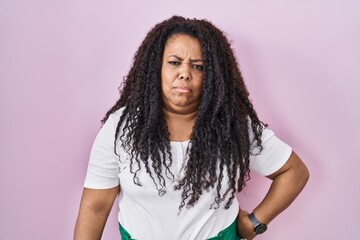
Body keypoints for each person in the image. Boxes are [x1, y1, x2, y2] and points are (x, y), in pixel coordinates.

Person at [74, 16, 309, 240]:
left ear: (213, 76)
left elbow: (294, 172)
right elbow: (95, 207)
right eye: (174, 63)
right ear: (155, 68)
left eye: (198, 66)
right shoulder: (122, 127)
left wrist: (254, 223)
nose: (185, 74)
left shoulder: (232, 125)